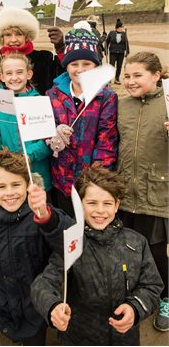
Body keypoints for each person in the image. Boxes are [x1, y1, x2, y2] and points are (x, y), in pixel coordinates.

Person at [30, 166, 163, 346]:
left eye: (107, 203)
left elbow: (152, 286)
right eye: (92, 203)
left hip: (125, 339)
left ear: (116, 205)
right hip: (78, 338)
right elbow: (42, 284)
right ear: (80, 205)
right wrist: (52, 306)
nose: (100, 210)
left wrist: (135, 307)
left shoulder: (137, 242)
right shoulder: (73, 243)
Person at [0, 148, 70, 346]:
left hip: (34, 301)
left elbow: (70, 243)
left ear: (28, 185)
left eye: (16, 184)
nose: (9, 192)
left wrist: (48, 218)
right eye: (1, 186)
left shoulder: (42, 213)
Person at [117, 51, 169, 332]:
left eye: (138, 75)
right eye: (127, 75)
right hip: (124, 193)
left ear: (156, 75)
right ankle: (136, 295)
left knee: (158, 253)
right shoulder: (120, 105)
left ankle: (166, 298)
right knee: (127, 251)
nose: (131, 81)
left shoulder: (168, 103)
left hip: (157, 194)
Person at [46, 28, 118, 216]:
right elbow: (45, 129)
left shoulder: (106, 97)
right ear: (66, 66)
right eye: (74, 64)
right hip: (60, 178)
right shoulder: (52, 95)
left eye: (87, 63)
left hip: (90, 181)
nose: (80, 69)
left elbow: (107, 140)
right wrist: (53, 134)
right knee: (65, 227)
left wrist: (96, 178)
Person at [0, 53, 52, 194]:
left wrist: (28, 156)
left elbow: (47, 141)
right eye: (9, 73)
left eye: (19, 72)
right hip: (8, 176)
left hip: (37, 174)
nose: (14, 78)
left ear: (29, 74)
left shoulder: (40, 101)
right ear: (2, 76)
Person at [0, 7, 64, 95]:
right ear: (1, 38)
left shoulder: (45, 59)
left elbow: (68, 75)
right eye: (8, 35)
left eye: (19, 34)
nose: (13, 40)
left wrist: (61, 48)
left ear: (27, 36)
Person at [106, 18, 130, 84]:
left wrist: (127, 51)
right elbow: (107, 42)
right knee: (112, 66)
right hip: (113, 52)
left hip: (121, 52)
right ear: (117, 28)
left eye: (122, 27)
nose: (122, 28)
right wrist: (106, 51)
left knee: (119, 66)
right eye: (121, 27)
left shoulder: (124, 34)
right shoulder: (111, 33)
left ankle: (117, 79)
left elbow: (126, 43)